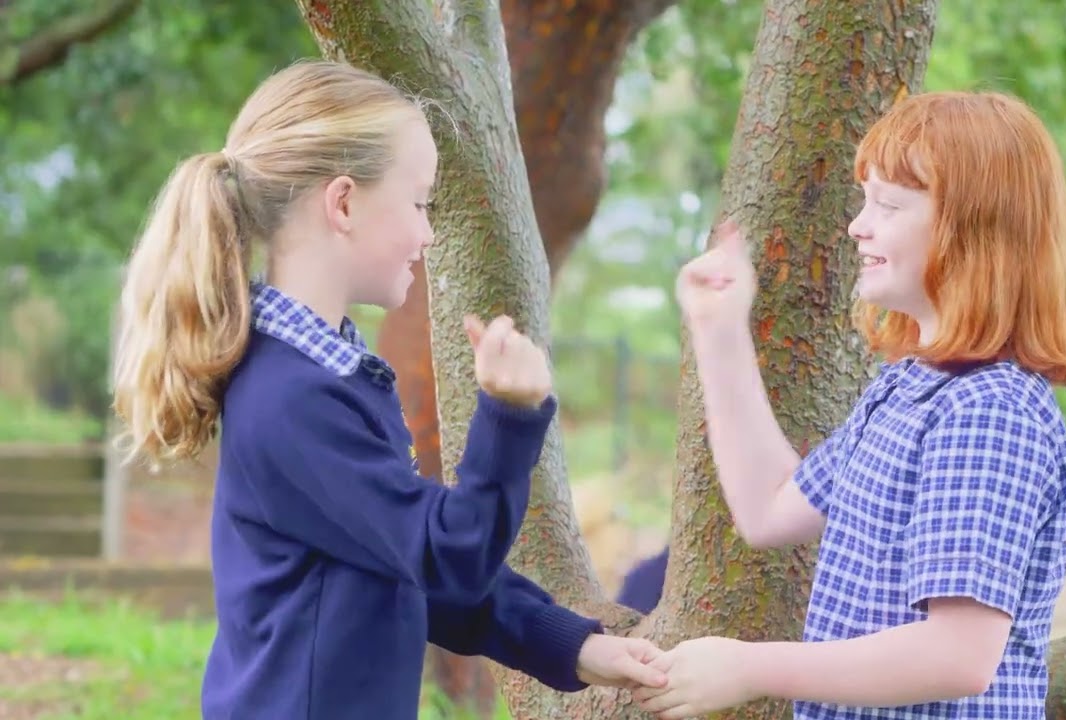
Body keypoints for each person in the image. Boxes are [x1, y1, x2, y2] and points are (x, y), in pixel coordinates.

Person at [110, 59, 666, 720]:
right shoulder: (292, 398)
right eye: (419, 202)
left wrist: (574, 646)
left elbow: (409, 567)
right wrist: (509, 417)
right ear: (343, 203)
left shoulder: (320, 375)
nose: (428, 232)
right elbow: (445, 558)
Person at [634, 90, 1066, 719]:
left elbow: (957, 656)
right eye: (866, 200)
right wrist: (718, 328)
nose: (858, 225)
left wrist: (750, 667)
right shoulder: (909, 387)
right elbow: (769, 509)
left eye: (888, 205)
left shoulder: (988, 411)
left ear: (973, 228)